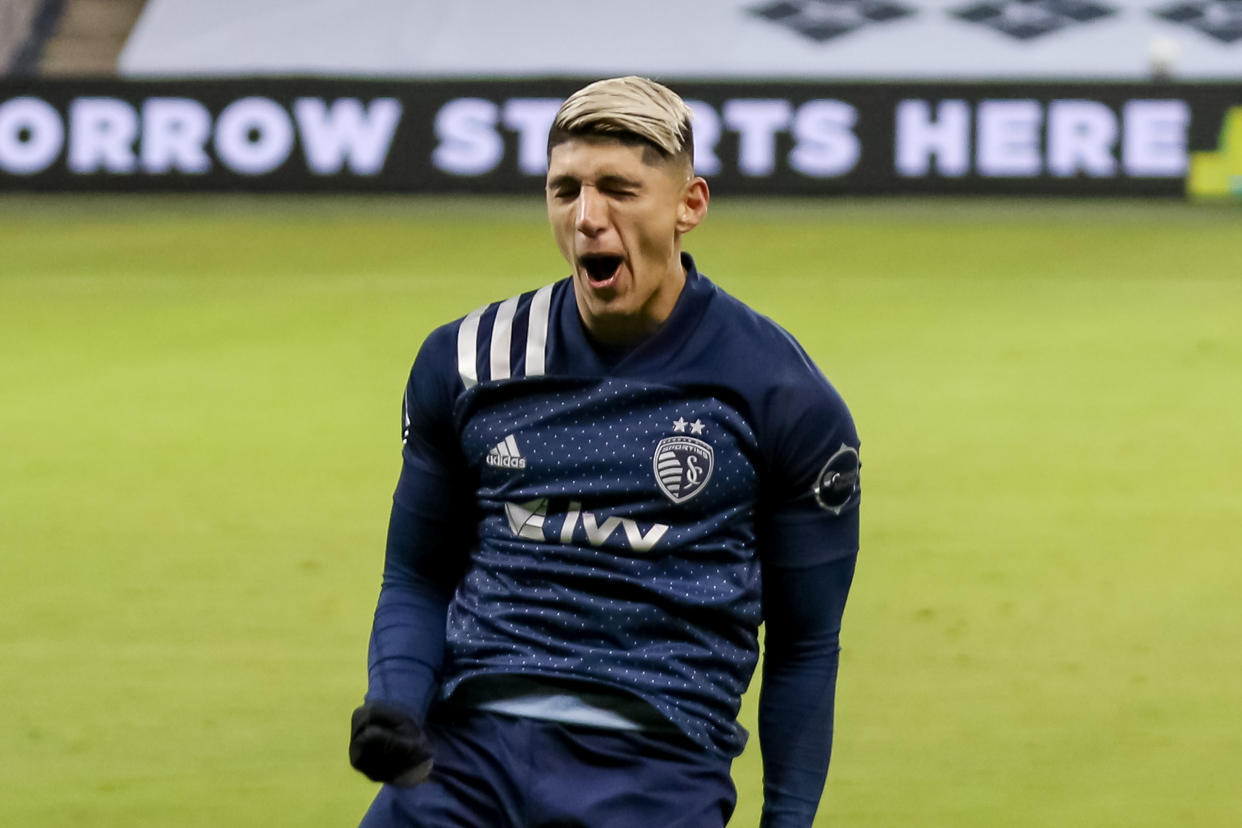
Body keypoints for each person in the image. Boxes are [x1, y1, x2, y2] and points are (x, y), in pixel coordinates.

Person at [349, 76, 861, 827]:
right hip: (464, 757)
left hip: (655, 767)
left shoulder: (780, 396)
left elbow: (805, 643)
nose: (588, 218)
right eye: (566, 191)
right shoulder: (467, 362)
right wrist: (394, 699)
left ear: (690, 205)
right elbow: (417, 574)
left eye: (619, 189)